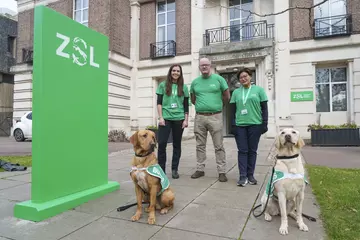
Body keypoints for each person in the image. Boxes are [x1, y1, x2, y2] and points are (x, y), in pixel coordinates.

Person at [190, 57, 230, 182]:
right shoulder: (195, 82)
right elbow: (192, 98)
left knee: (218, 146)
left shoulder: (219, 79)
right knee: (199, 145)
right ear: (199, 67)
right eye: (202, 65)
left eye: (206, 65)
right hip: (200, 117)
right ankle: (200, 169)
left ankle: (222, 171)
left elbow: (226, 95)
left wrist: (217, 106)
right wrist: (202, 106)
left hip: (215, 116)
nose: (204, 67)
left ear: (210, 66)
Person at [230, 68, 268, 187]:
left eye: (245, 76)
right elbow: (232, 110)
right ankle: (242, 176)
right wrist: (233, 125)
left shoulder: (259, 90)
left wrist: (264, 123)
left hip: (255, 125)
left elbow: (264, 108)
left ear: (250, 76)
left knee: (252, 151)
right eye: (241, 77)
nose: (243, 78)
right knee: (242, 150)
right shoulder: (236, 92)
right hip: (240, 125)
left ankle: (250, 175)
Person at [156, 64, 189, 179]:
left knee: (177, 145)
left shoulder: (184, 87)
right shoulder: (162, 85)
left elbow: (186, 106)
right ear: (170, 72)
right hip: (165, 118)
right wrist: (160, 117)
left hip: (179, 119)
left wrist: (185, 120)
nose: (175, 73)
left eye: (178, 71)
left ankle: (175, 169)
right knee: (162, 144)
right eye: (173, 71)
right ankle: (161, 170)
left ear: (180, 73)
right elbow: (159, 102)